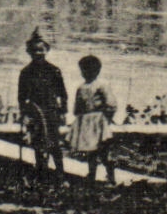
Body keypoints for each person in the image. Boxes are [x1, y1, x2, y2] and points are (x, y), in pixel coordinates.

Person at [17, 29, 67, 179]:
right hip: (35, 112)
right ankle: (41, 172)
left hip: (51, 111)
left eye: (41, 50)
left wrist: (63, 112)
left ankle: (60, 173)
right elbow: (21, 97)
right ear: (29, 52)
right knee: (38, 143)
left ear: (47, 50)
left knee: (55, 144)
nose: (38, 53)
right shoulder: (25, 72)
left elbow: (63, 94)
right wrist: (24, 114)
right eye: (34, 50)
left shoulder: (54, 71)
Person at [72, 55, 117, 185]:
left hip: (99, 122)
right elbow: (77, 107)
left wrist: (107, 118)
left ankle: (111, 176)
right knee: (91, 152)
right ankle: (91, 175)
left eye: (89, 70)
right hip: (87, 122)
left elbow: (111, 103)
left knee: (103, 152)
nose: (85, 73)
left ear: (97, 71)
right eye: (83, 70)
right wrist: (78, 119)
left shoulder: (102, 85)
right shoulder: (81, 87)